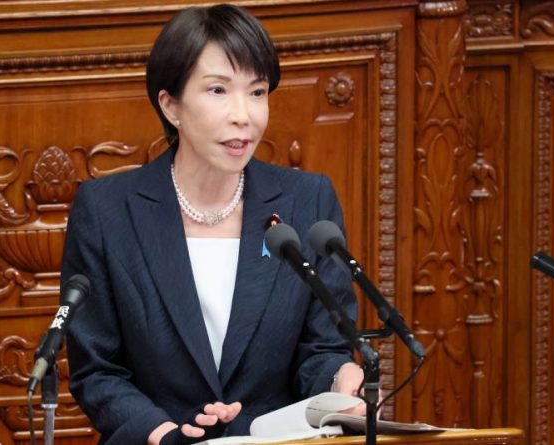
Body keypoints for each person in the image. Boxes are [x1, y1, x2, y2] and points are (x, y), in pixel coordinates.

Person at [61, 4, 364, 445]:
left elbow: (322, 348)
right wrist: (165, 434)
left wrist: (340, 379)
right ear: (171, 105)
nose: (244, 114)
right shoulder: (107, 211)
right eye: (218, 90)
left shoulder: (307, 201)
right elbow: (97, 369)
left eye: (257, 92)